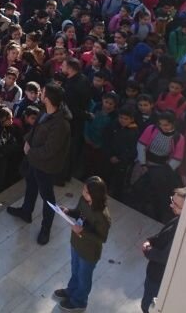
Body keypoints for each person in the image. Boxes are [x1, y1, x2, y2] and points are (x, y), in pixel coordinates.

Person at [7, 82, 71, 245]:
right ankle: (26, 211)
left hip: (46, 166)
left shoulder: (60, 124)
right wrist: (27, 140)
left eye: (42, 92)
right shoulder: (45, 111)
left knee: (47, 198)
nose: (40, 94)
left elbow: (50, 150)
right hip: (34, 161)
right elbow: (35, 128)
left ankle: (46, 228)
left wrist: (30, 152)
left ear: (48, 98)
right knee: (31, 186)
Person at [53, 176, 112, 312]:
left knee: (84, 277)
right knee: (75, 270)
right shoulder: (83, 200)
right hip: (76, 243)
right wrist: (68, 211)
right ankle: (71, 291)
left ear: (95, 195)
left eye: (86, 191)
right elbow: (78, 213)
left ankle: (79, 301)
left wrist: (83, 231)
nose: (82, 193)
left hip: (89, 253)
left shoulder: (103, 216)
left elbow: (101, 238)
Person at [140, 187, 185, 313]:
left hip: (159, 278)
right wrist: (150, 240)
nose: (171, 205)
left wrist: (148, 249)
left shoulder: (182, 231)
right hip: (155, 274)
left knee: (147, 306)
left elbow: (165, 257)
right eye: (172, 200)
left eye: (176, 205)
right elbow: (162, 235)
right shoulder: (178, 219)